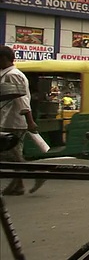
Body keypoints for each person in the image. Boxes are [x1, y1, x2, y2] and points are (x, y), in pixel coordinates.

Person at [0, 45, 45, 195]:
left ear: (4, 59)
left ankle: (37, 174)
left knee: (11, 154)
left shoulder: (12, 75)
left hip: (13, 121)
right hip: (8, 119)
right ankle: (18, 185)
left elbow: (22, 100)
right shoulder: (6, 74)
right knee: (12, 154)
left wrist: (29, 120)